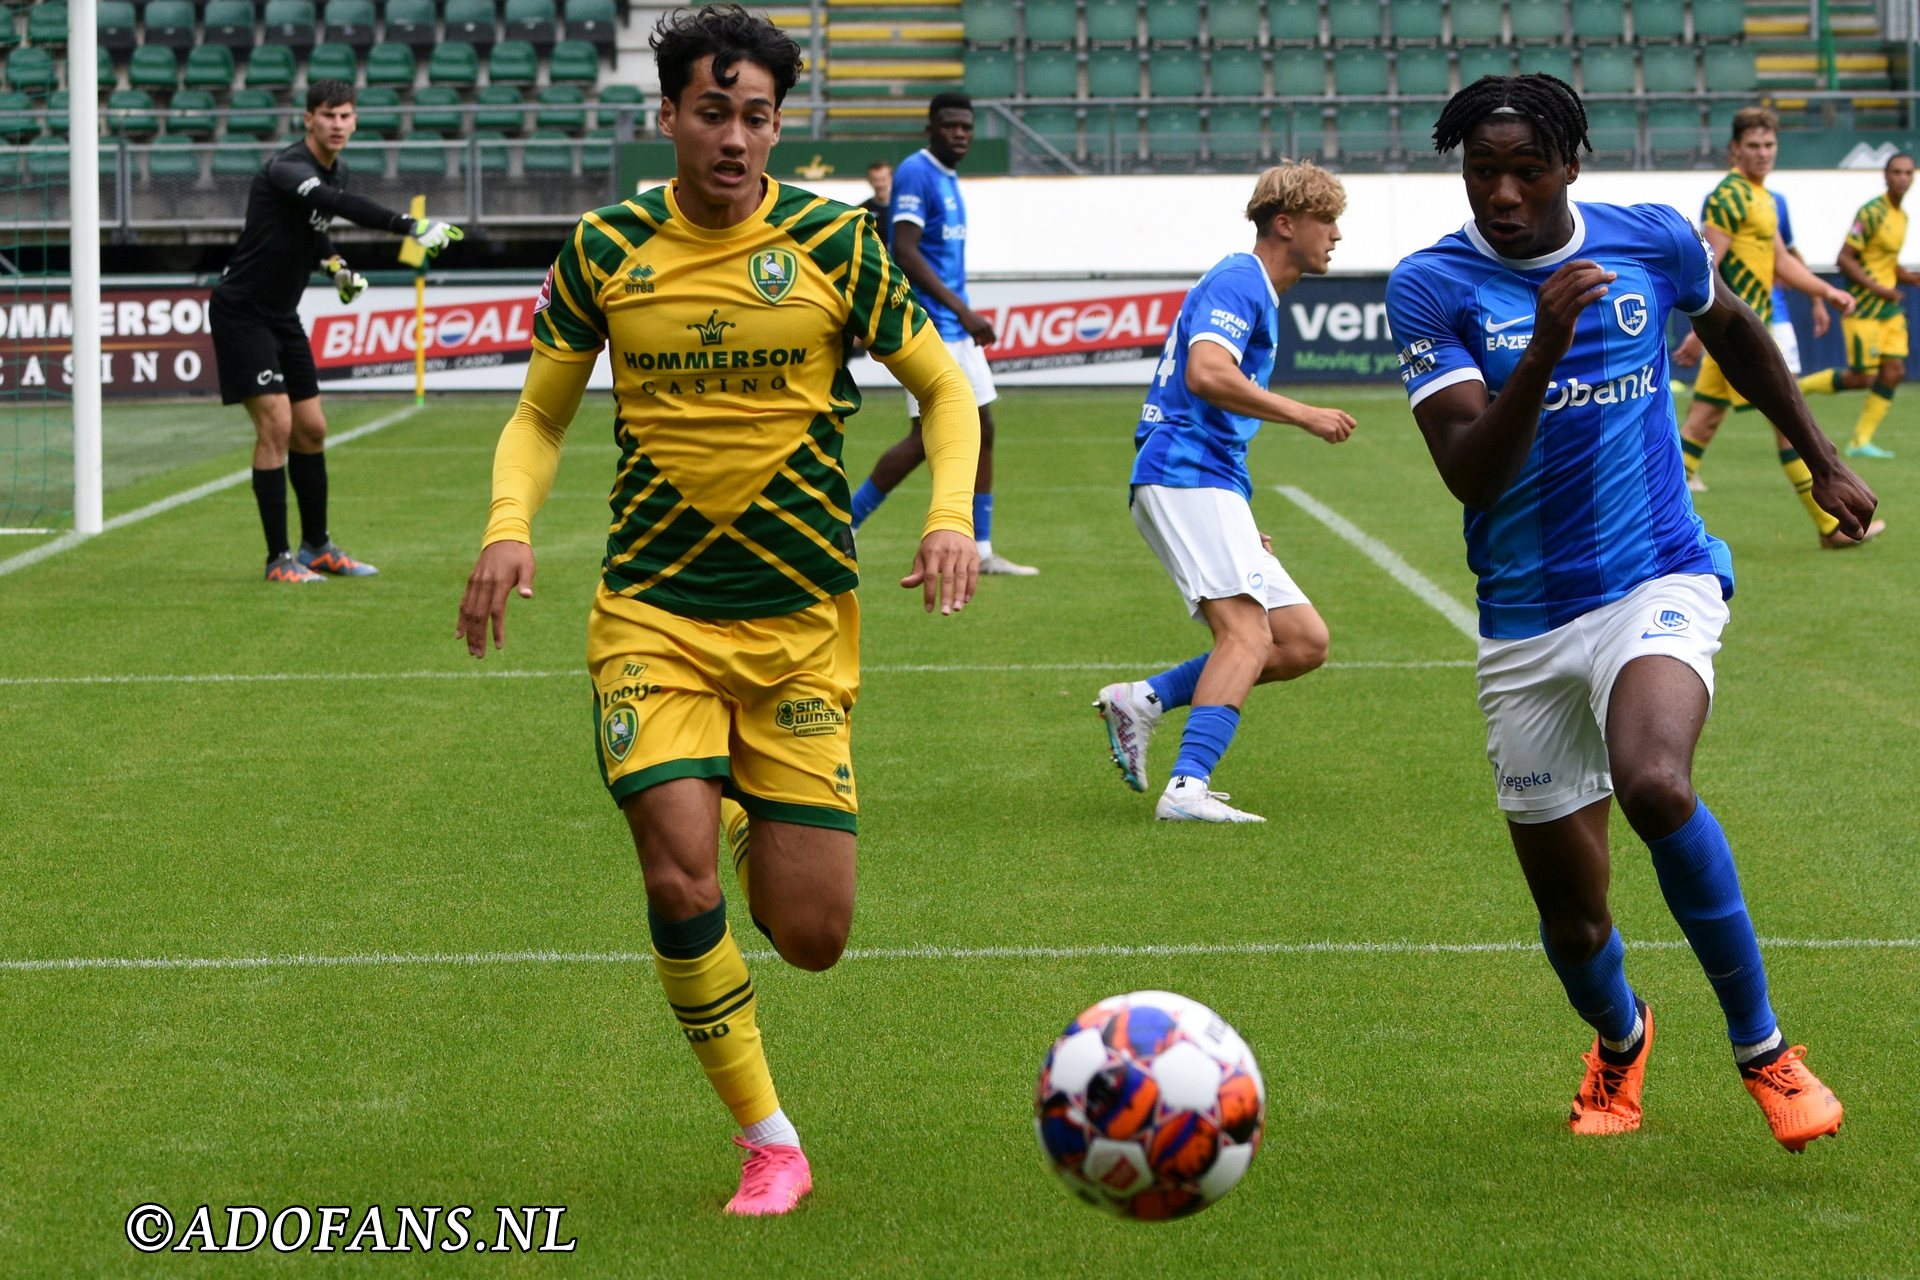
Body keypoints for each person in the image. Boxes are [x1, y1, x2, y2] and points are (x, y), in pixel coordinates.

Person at [454, 5, 979, 1217]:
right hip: (653, 617)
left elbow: (943, 389)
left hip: (800, 620)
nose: (735, 139)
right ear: (669, 117)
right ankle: (769, 1137)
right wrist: (505, 526)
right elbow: (540, 414)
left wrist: (948, 510)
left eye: (756, 118)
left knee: (811, 934)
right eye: (712, 113)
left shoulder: (836, 245)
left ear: (777, 124)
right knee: (679, 876)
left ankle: (749, 805)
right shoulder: (605, 249)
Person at [1385, 74, 1871, 1151]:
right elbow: (1471, 471)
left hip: (1659, 574)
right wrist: (1548, 340)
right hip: (1525, 622)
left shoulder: (1651, 239)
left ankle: (1766, 1050)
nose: (1502, 193)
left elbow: (1736, 328)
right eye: (1482, 173)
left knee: (1655, 780)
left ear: (1571, 167)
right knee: (1575, 919)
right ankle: (1621, 1035)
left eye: (1524, 170)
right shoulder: (1430, 285)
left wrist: (1820, 455)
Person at [1094, 165, 1355, 823]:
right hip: (1185, 473)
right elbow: (1207, 374)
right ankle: (1187, 789)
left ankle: (1145, 699)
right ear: (1287, 224)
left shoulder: (1257, 289)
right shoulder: (1241, 278)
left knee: (1300, 640)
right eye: (1326, 221)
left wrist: (1240, 518)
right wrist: (1304, 414)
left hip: (1209, 480)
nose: (1337, 235)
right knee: (1245, 633)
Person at [209, 78, 463, 583]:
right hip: (242, 311)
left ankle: (318, 547)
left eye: (346, 115)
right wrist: (410, 225)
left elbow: (314, 229)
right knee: (277, 425)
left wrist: (335, 267)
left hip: (282, 314)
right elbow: (335, 204)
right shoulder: (288, 168)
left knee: (312, 430)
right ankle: (278, 560)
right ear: (308, 119)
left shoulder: (334, 169)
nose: (338, 124)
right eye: (328, 115)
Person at [1671, 107, 1879, 548]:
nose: (1763, 153)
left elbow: (1781, 260)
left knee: (1700, 427)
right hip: (1742, 333)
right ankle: (1831, 527)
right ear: (1735, 149)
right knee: (1788, 423)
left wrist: (1824, 292)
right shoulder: (1728, 196)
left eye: (1769, 145)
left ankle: (1651, 519)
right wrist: (1698, 327)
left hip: (1745, 330)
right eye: (1754, 146)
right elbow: (1710, 263)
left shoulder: (1763, 197)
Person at [848, 92, 1038, 575]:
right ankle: (845, 523)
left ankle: (986, 548)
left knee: (983, 429)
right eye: (951, 125)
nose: (961, 134)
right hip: (932, 325)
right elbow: (906, 251)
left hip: (955, 326)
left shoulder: (948, 180)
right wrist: (963, 310)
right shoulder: (917, 171)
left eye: (968, 127)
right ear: (931, 128)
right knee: (922, 438)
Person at [1795, 151, 1920, 460]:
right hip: (1865, 307)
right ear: (1886, 176)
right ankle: (1796, 388)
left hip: (1888, 309)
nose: (1902, 177)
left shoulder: (1900, 216)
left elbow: (1885, 264)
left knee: (1893, 371)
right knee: (1863, 376)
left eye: (1908, 172)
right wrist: (1878, 288)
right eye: (1897, 172)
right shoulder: (1872, 213)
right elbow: (1844, 258)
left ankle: (1861, 441)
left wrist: (1910, 278)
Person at [860, 158, 892, 237]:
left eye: (883, 179)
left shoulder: (901, 208)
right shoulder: (863, 210)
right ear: (869, 181)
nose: (880, 185)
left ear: (891, 179)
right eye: (875, 180)